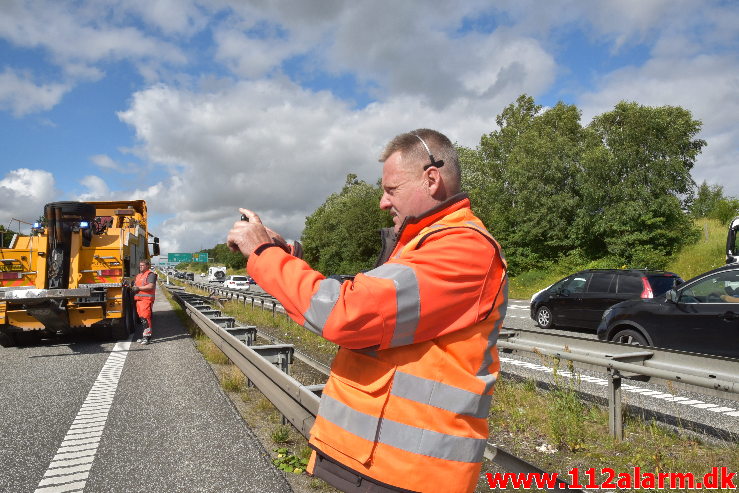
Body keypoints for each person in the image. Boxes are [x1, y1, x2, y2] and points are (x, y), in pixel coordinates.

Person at [227, 128, 508, 493]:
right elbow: (363, 297)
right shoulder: (423, 246)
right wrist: (285, 255)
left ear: (432, 179)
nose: (382, 201)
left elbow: (350, 313)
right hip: (387, 465)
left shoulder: (464, 248)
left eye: (391, 190)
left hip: (414, 473)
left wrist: (264, 255)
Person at [131, 258, 157, 344]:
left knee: (146, 318)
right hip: (139, 300)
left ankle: (147, 337)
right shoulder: (139, 276)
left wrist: (138, 288)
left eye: (142, 265)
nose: (140, 267)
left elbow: (151, 286)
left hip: (146, 300)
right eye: (140, 265)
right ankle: (144, 336)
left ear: (147, 266)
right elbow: (135, 286)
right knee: (142, 319)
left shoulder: (150, 274)